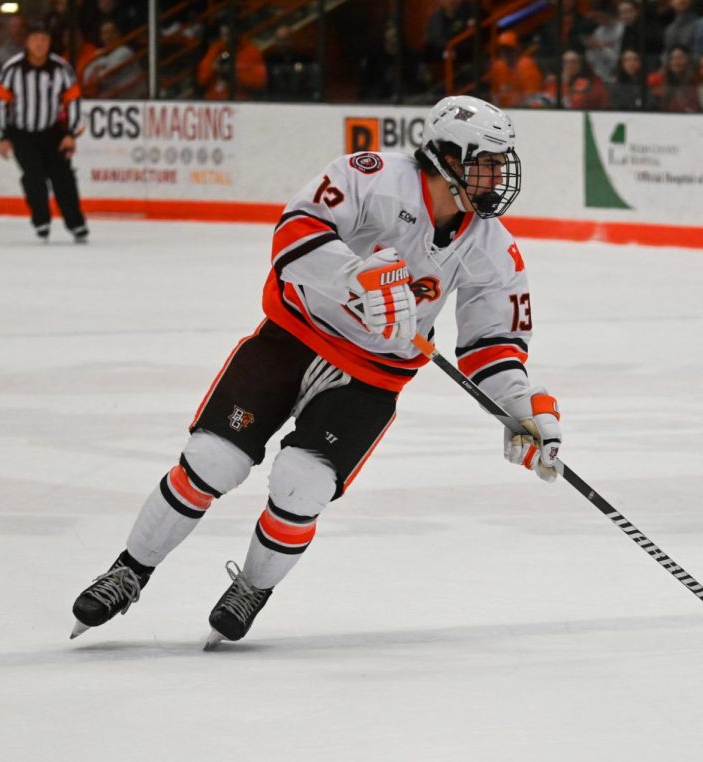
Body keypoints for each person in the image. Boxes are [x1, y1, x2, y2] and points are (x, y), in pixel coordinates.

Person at [69, 95, 564, 647]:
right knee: (212, 459)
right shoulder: (370, 177)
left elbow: (490, 347)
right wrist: (355, 278)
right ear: (449, 156)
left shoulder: (492, 247)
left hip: (371, 378)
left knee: (302, 485)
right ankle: (129, 570)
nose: (498, 175)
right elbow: (291, 236)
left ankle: (252, 588)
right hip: (292, 338)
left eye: (501, 162)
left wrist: (520, 408)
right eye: (488, 161)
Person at [0, 19, 88, 243]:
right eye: (35, 39)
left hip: (53, 133)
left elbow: (74, 102)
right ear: (27, 42)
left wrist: (71, 134)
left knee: (63, 178)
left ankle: (76, 224)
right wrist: (2, 136)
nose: (40, 44)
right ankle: (41, 220)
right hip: (22, 134)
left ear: (50, 42)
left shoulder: (61, 68)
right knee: (33, 177)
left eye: (44, 39)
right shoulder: (12, 69)